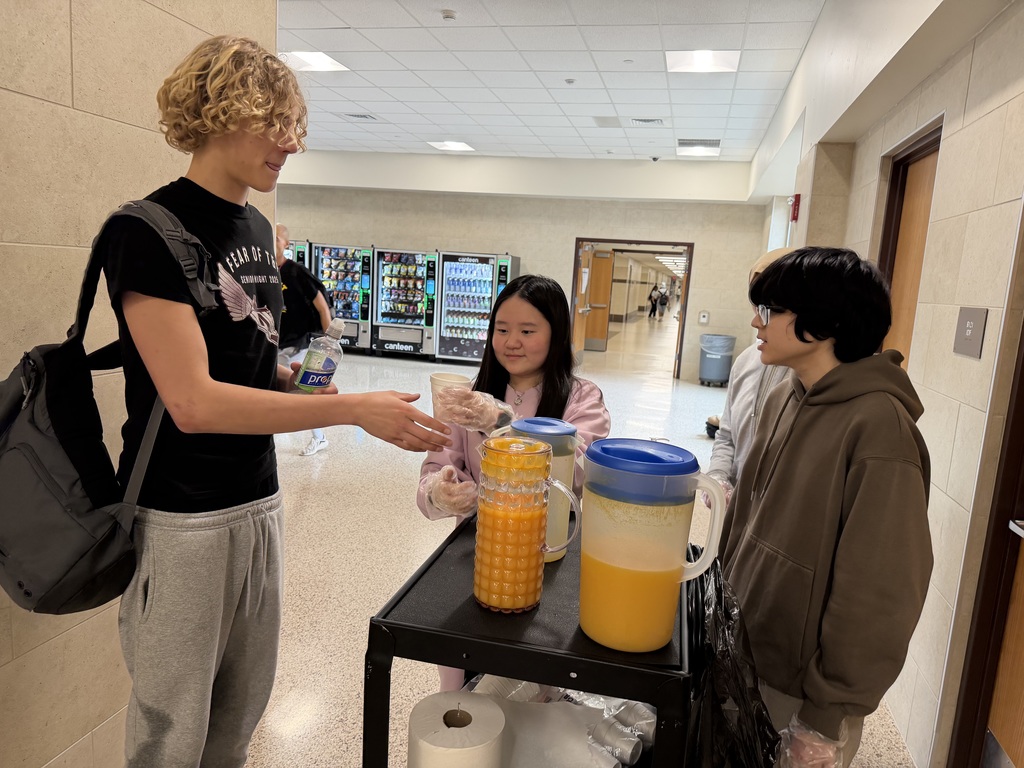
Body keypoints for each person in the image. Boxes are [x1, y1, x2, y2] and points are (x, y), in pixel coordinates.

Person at [98, 36, 450, 768]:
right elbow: (192, 401)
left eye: (294, 124)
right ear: (218, 111)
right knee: (173, 727)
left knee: (240, 713)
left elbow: (246, 371)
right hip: (180, 514)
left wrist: (303, 382)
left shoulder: (256, 230)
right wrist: (350, 413)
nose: (291, 141)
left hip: (258, 499)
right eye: (273, 121)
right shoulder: (147, 231)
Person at [720, 247, 932, 768]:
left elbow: (879, 590)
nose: (756, 323)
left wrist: (826, 716)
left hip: (803, 688)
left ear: (822, 323)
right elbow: (747, 519)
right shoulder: (786, 395)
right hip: (747, 652)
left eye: (770, 311)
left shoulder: (880, 428)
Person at [417, 274, 611, 689]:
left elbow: (578, 469)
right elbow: (436, 468)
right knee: (464, 668)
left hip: (548, 553)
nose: (511, 342)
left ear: (556, 334)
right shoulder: (469, 397)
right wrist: (441, 492)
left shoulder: (581, 398)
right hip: (477, 551)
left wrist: (503, 424)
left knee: (532, 669)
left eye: (527, 330)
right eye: (501, 330)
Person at [706, 249, 790, 503]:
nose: (757, 319)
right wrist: (719, 477)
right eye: (758, 303)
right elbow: (726, 435)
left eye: (772, 305)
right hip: (740, 511)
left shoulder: (813, 381)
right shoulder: (745, 361)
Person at [275, 222, 332, 455]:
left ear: (286, 244)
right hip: (274, 342)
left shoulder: (297, 272)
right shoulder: (263, 271)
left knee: (305, 389)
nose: (271, 242)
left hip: (298, 343)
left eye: (276, 238)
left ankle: (319, 437)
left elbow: (322, 307)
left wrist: (330, 343)